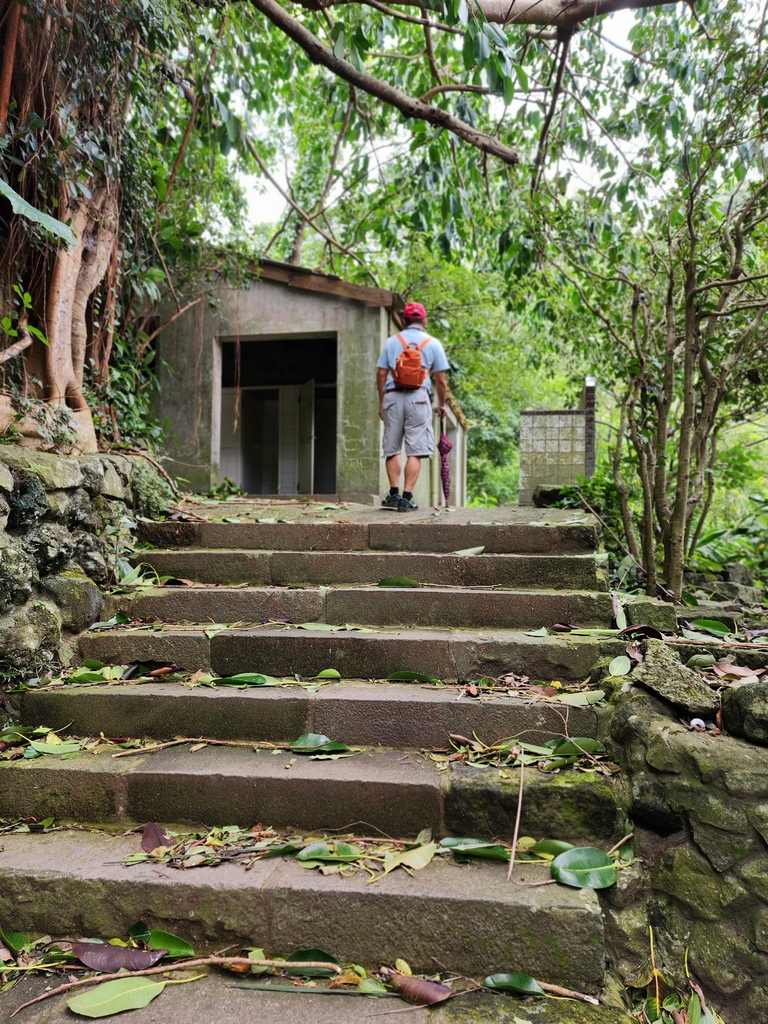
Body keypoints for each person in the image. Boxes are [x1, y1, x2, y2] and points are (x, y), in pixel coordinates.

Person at [376, 301, 449, 511]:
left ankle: (393, 494)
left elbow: (381, 373)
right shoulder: (433, 343)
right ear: (424, 321)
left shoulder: (392, 342)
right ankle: (407, 498)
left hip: (392, 397)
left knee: (392, 448)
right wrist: (442, 405)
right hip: (418, 398)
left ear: (405, 321)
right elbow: (441, 380)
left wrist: (382, 402)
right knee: (415, 450)